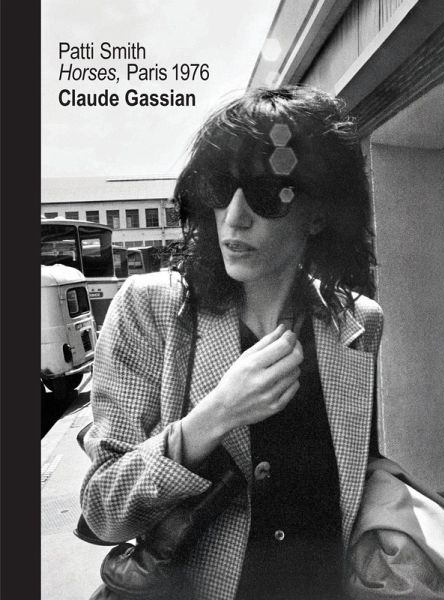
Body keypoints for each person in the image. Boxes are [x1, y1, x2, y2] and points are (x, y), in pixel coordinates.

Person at [81, 86, 383, 600]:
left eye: (268, 193)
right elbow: (103, 509)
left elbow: (356, 476)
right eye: (221, 188)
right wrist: (216, 415)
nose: (235, 216)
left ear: (318, 212)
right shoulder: (153, 309)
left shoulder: (358, 323)